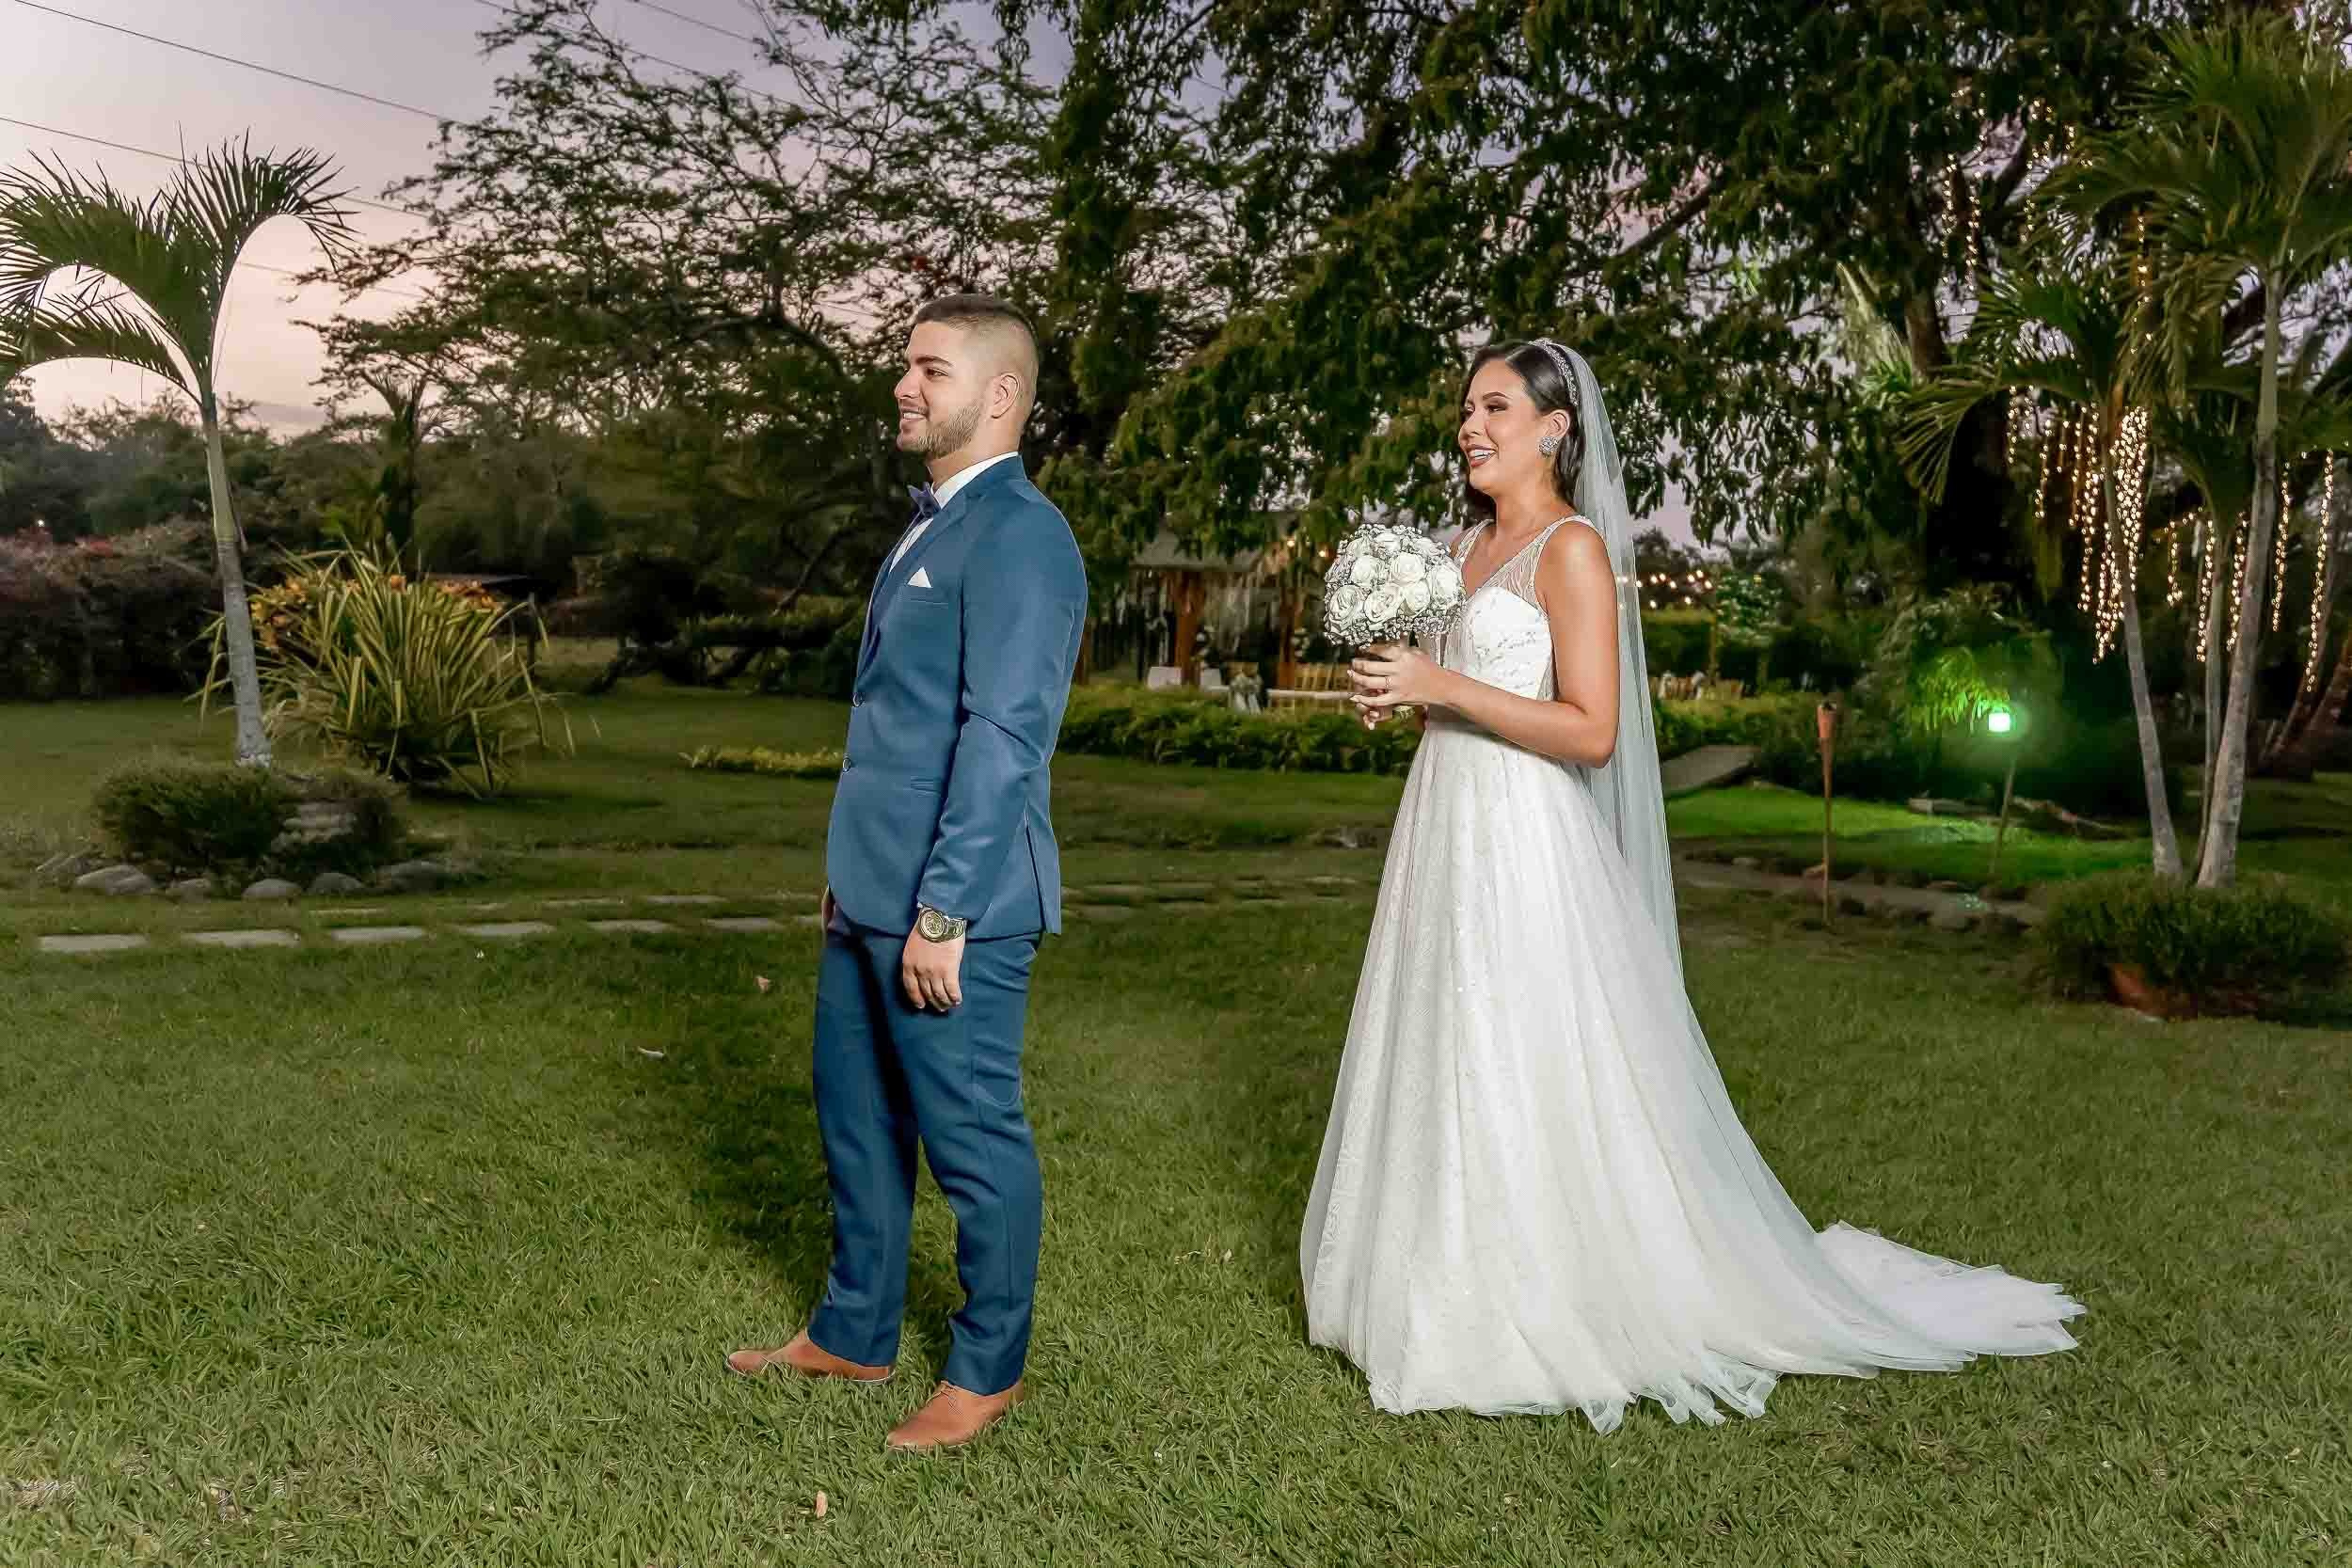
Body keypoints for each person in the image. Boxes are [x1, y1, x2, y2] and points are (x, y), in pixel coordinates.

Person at [1301, 338, 2083, 1430]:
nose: (1468, 427)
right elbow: (1461, 693)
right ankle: (1427, 1272)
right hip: (1444, 819)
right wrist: (1408, 695)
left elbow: (1592, 728)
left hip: (1525, 837)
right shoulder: (1461, 543)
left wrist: (1444, 683)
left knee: (1519, 1040)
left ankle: (1541, 1288)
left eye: (1491, 407)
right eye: (1464, 410)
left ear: (1555, 425)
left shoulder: (1569, 551)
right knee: (1442, 1030)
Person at [727, 294, 1088, 1452]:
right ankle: (853, 1329)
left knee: (971, 1135)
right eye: (904, 367)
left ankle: (989, 1370)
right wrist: (852, 881)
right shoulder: (932, 522)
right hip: (867, 894)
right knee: (861, 1121)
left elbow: (1003, 735)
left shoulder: (1023, 532)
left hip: (954, 905)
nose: (902, 386)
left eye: (928, 369)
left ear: (998, 396)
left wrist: (945, 907)